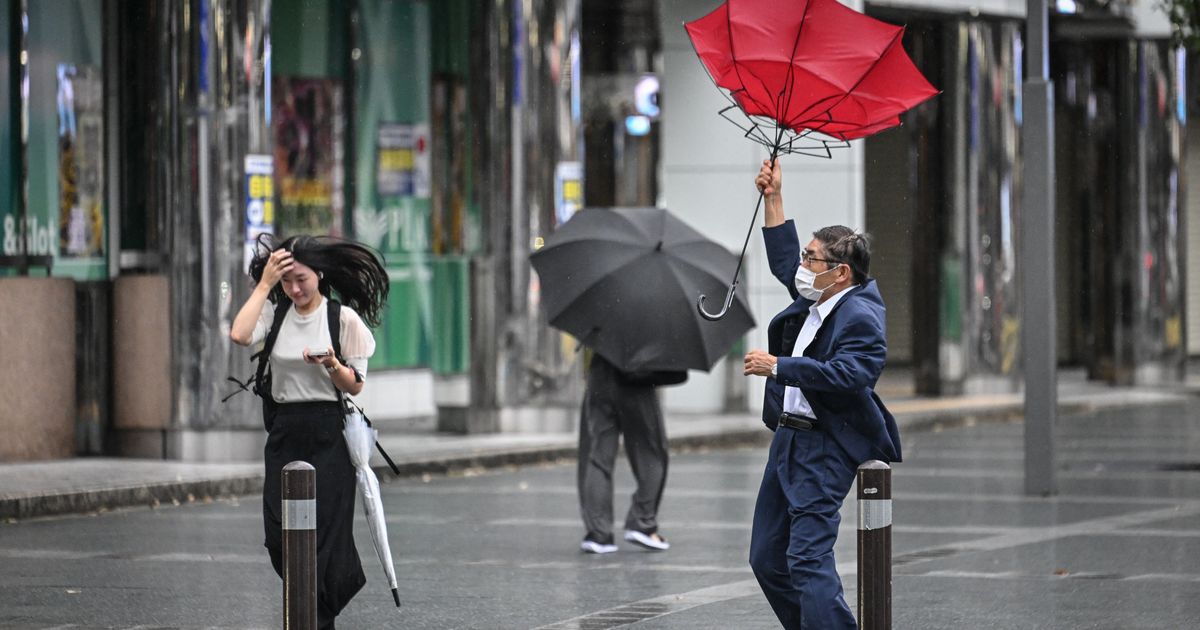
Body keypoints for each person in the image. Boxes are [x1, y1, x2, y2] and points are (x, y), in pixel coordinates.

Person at [742, 159, 902, 629]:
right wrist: (774, 198)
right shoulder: (818, 295)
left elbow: (851, 375)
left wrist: (779, 366)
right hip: (788, 441)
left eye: (814, 259)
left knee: (807, 559)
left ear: (841, 272)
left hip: (824, 445)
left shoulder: (861, 317)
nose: (804, 266)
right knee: (767, 558)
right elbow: (782, 261)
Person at [229, 234, 389, 630]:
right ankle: (318, 606)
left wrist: (332, 365)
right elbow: (239, 334)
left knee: (323, 542)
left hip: (329, 435)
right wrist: (265, 285)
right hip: (284, 432)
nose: (295, 289)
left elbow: (355, 385)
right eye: (287, 281)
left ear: (319, 274)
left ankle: (314, 619)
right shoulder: (276, 313)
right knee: (279, 536)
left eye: (302, 279)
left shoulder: (341, 319)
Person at [577, 352, 684, 554]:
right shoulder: (655, 319)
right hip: (638, 375)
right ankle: (642, 522)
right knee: (651, 452)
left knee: (598, 457)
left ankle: (598, 534)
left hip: (601, 372)